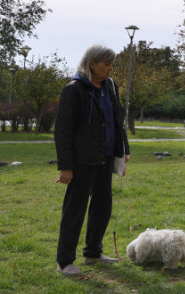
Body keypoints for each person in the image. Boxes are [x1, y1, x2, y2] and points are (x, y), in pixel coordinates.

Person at [54, 44, 130, 277]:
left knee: (102, 207)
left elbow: (118, 119)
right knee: (75, 211)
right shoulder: (74, 90)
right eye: (106, 64)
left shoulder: (110, 86)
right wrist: (65, 166)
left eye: (112, 63)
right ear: (92, 64)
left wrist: (123, 149)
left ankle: (93, 253)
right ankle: (65, 261)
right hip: (81, 161)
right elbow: (63, 130)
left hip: (105, 158)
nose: (111, 68)